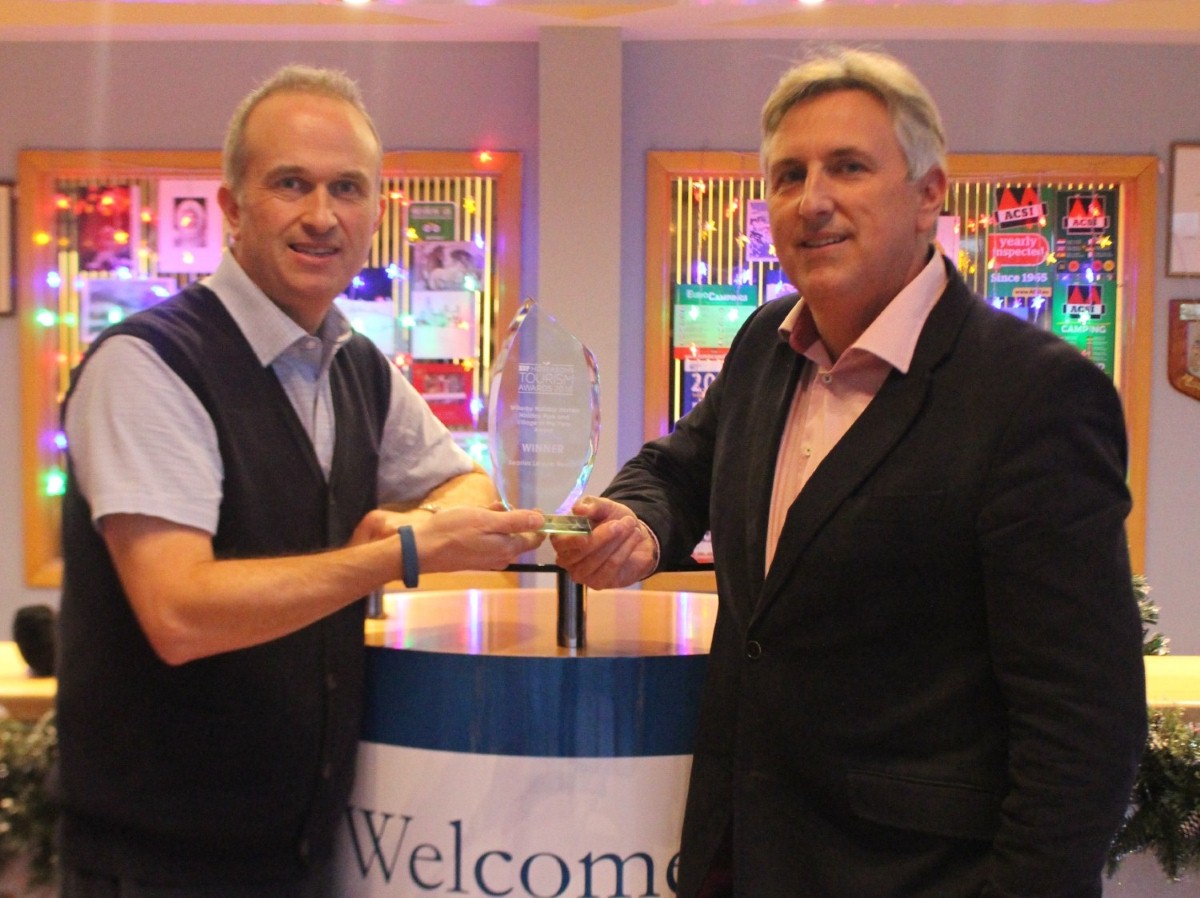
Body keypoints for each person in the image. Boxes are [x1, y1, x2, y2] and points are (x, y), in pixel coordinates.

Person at [553, 48, 1146, 898]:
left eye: (849, 167)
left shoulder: (1034, 394)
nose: (813, 199)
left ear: (930, 192)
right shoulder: (767, 345)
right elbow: (678, 468)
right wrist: (641, 520)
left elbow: (1084, 723)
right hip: (741, 857)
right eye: (788, 175)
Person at [54, 64, 544, 897]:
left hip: (305, 857)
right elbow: (177, 612)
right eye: (292, 184)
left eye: (347, 189)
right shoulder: (147, 365)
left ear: (372, 216)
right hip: (157, 868)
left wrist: (404, 528)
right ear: (233, 208)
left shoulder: (358, 367)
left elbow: (466, 486)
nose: (322, 216)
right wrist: (393, 557)